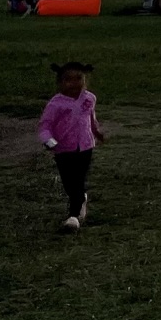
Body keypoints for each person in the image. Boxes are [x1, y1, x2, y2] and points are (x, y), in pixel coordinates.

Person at [38, 60, 105, 232]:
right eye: (69, 79)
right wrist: (49, 141)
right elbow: (45, 126)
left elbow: (91, 118)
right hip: (63, 149)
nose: (74, 83)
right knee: (69, 182)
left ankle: (73, 217)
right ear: (60, 82)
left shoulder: (89, 98)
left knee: (79, 178)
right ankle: (80, 200)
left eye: (79, 79)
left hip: (85, 146)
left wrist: (96, 132)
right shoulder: (56, 104)